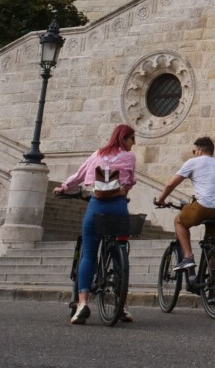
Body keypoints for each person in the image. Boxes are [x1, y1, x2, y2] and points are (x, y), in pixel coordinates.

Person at [52, 124, 138, 324]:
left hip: (96, 205)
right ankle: (122, 305)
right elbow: (131, 181)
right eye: (132, 139)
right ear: (124, 139)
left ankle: (82, 304)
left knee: (89, 254)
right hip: (118, 207)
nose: (133, 144)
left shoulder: (97, 154)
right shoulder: (129, 157)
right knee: (119, 253)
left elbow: (80, 175)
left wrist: (64, 187)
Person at [154, 137, 215, 271]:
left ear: (200, 150)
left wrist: (160, 200)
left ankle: (188, 257)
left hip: (203, 206)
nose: (194, 154)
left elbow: (170, 184)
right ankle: (214, 277)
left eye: (194, 151)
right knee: (213, 243)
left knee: (179, 221)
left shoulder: (193, 162)